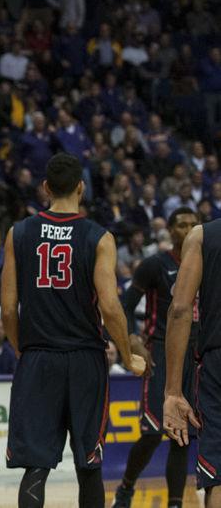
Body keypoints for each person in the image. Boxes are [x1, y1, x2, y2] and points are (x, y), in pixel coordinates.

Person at [1, 153, 147, 508]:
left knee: (35, 468)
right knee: (90, 465)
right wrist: (128, 356)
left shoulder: (18, 233)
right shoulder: (99, 237)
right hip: (85, 361)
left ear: (45, 188)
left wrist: (25, 349)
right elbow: (111, 307)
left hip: (39, 358)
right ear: (81, 188)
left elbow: (7, 308)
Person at [112, 207, 199, 508]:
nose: (187, 229)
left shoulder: (208, 263)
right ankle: (126, 488)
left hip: (196, 353)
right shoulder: (154, 264)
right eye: (181, 224)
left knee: (181, 434)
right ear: (170, 231)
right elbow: (124, 305)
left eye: (193, 224)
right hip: (161, 350)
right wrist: (133, 339)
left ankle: (175, 502)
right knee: (151, 432)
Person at [163, 221, 221, 507]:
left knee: (219, 479)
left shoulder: (201, 236)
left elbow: (180, 309)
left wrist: (173, 391)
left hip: (217, 360)